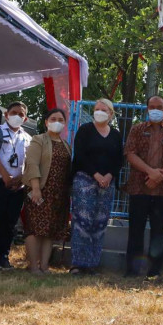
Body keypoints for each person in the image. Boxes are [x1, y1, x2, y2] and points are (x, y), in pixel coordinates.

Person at [123, 95, 163, 278]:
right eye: (152, 106)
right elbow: (130, 153)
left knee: (159, 232)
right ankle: (132, 270)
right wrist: (151, 172)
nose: (155, 109)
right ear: (147, 109)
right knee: (136, 230)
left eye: (159, 106)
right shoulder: (137, 130)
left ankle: (155, 270)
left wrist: (160, 174)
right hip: (138, 188)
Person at [70, 99, 123, 274]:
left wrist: (108, 176)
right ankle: (79, 263)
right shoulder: (85, 130)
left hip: (107, 183)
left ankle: (92, 263)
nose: (99, 112)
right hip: (85, 180)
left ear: (111, 114)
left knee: (100, 222)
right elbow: (80, 155)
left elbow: (118, 159)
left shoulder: (116, 134)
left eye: (104, 109)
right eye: (97, 109)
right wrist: (96, 175)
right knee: (82, 221)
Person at [0, 101, 33, 271]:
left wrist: (21, 179)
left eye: (21, 114)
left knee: (9, 223)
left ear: (25, 119)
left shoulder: (27, 137)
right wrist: (5, 175)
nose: (17, 116)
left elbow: (30, 162)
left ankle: (3, 255)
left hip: (18, 187)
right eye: (14, 112)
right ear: (6, 115)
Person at [22, 108, 72, 274]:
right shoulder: (38, 140)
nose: (57, 122)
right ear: (46, 121)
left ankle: (44, 266)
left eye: (60, 119)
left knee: (49, 230)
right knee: (34, 228)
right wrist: (36, 188)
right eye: (53, 118)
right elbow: (32, 164)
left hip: (58, 195)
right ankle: (33, 266)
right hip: (40, 191)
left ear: (64, 124)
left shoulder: (66, 145)